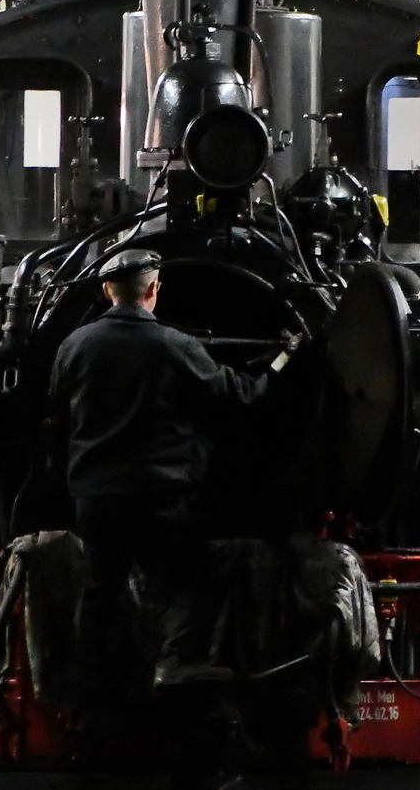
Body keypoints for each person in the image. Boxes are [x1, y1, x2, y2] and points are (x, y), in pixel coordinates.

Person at [48, 249, 298, 717]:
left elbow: (56, 412)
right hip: (157, 498)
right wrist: (280, 360)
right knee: (191, 583)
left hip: (95, 499)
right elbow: (241, 397)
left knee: (100, 594)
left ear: (107, 291)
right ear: (154, 289)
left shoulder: (73, 345)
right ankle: (177, 667)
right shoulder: (173, 345)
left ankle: (88, 705)